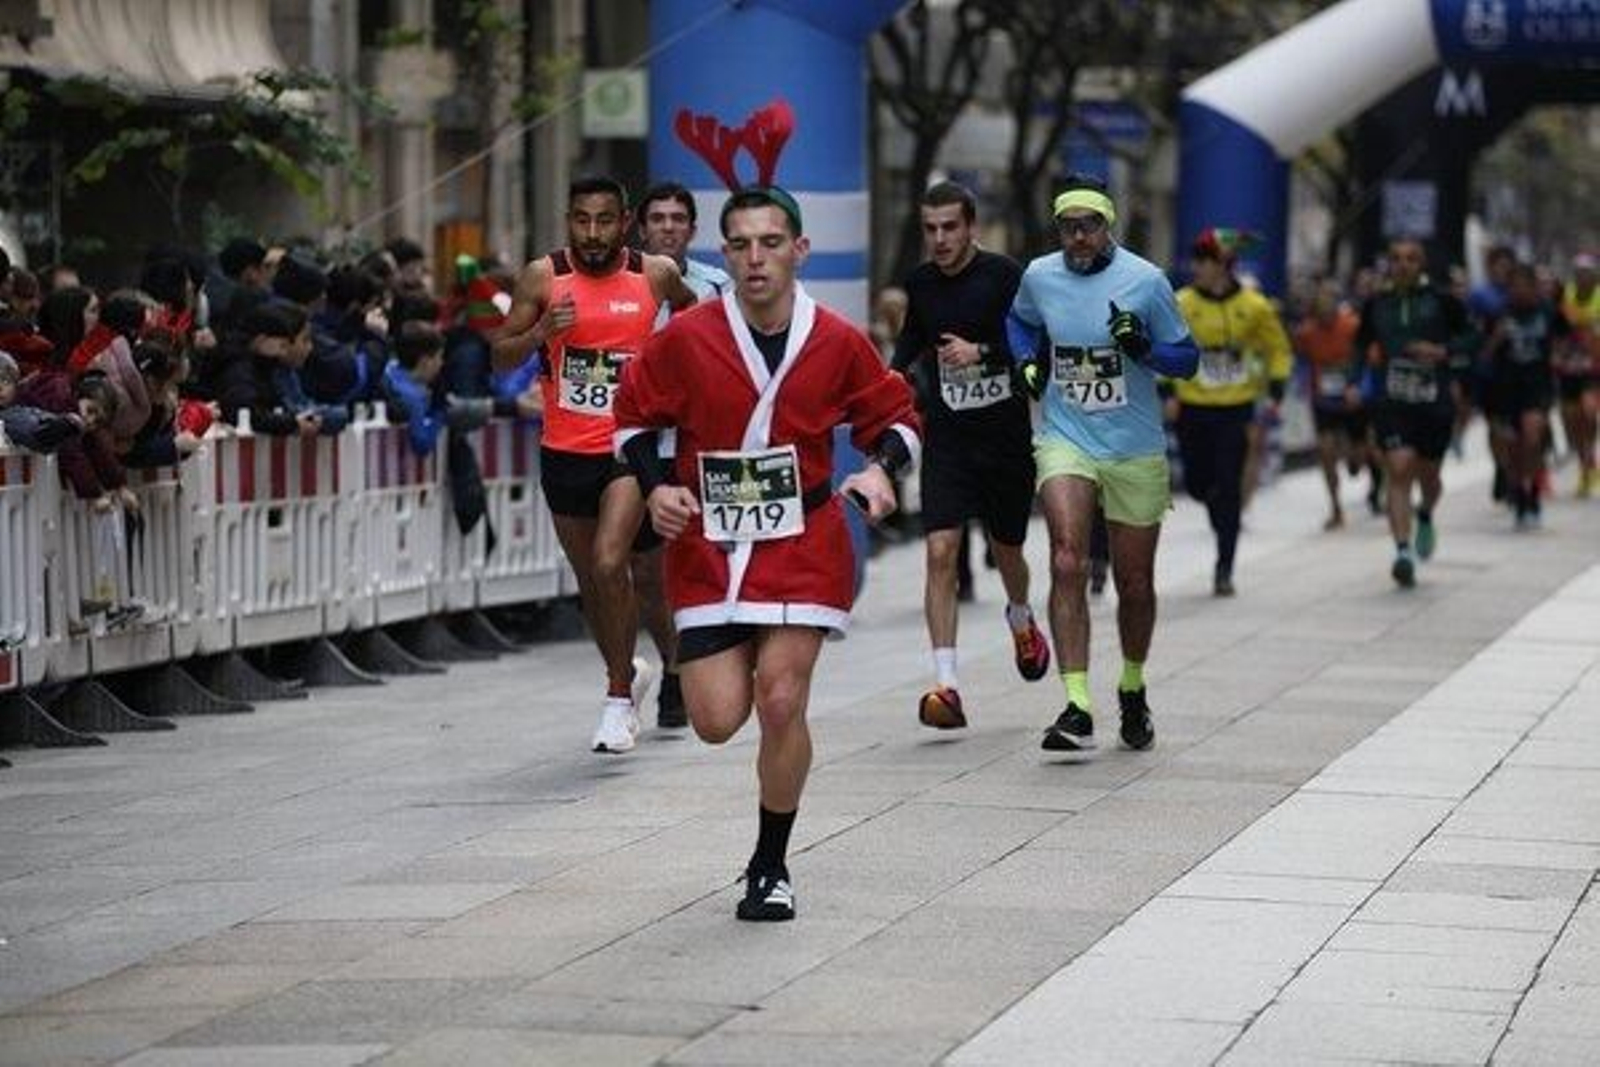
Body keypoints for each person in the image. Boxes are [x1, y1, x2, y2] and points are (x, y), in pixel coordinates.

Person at [613, 185, 920, 921]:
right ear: (725, 254)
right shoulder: (687, 337)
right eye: (742, 244)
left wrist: (881, 469)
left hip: (802, 540)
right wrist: (656, 488)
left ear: (799, 250)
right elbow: (630, 419)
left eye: (771, 242)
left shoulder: (838, 338)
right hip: (711, 548)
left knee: (782, 699)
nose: (756, 258)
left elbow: (899, 417)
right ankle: (705, 673)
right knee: (718, 718)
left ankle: (770, 864)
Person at [490, 176, 696, 754]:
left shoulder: (654, 274)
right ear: (568, 220)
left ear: (625, 222)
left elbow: (693, 315)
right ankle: (629, 673)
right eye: (582, 219)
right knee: (593, 583)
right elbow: (498, 350)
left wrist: (665, 368)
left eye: (605, 220)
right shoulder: (542, 276)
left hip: (626, 448)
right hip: (564, 450)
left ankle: (616, 697)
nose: (593, 232)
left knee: (612, 564)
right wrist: (538, 334)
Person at [1005, 174, 1198, 754]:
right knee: (1066, 557)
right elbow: (1019, 321)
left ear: (1107, 225)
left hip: (1134, 446)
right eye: (1068, 226)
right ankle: (1077, 704)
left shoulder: (1146, 281)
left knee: (1133, 582)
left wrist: (1143, 347)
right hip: (1066, 437)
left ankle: (1132, 688)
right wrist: (1025, 364)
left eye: (1089, 225)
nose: (1078, 237)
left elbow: (1187, 360)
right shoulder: (1039, 276)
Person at [889, 180, 1048, 730]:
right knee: (940, 552)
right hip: (949, 439)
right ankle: (947, 685)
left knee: (1008, 551)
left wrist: (979, 350)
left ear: (971, 226)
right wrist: (887, 376)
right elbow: (912, 338)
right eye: (930, 229)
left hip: (1004, 439)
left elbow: (1035, 342)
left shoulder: (1006, 275)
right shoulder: (921, 282)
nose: (939, 239)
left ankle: (1022, 617)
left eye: (949, 227)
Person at [633, 182, 735, 728]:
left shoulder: (716, 285)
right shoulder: (624, 285)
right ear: (641, 227)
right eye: (658, 217)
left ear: (692, 229)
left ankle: (693, 669)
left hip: (698, 446)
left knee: (697, 564)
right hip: (643, 445)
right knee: (646, 573)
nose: (668, 226)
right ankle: (673, 659)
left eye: (678, 218)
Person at [1171, 227, 1292, 596]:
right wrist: (1165, 390)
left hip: (1236, 408)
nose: (1197, 268)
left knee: (1229, 485)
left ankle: (1225, 566)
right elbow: (1165, 345)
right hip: (1192, 406)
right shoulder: (1182, 302)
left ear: (1224, 265)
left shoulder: (1255, 306)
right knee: (1197, 484)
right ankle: (1214, 506)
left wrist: (1275, 389)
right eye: (1196, 261)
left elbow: (1278, 349)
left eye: (1204, 261)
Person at [1354, 238, 1474, 587]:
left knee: (1430, 476)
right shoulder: (1377, 303)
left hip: (1434, 402)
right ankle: (1402, 551)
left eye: (1410, 259)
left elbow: (1471, 338)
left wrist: (1442, 351)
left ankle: (1425, 513)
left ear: (1421, 264)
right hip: (1392, 401)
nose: (1402, 264)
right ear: (1388, 264)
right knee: (1399, 467)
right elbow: (1361, 345)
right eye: (1395, 259)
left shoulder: (1443, 301)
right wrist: (1354, 380)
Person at [1483, 262, 1570, 528]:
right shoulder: (1499, 313)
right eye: (1514, 286)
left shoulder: (1548, 311)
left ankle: (1533, 491)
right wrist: (1496, 338)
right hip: (1506, 388)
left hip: (1537, 386)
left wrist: (1558, 355)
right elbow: (1484, 354)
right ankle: (1519, 492)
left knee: (1532, 438)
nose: (1519, 291)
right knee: (1513, 448)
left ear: (1534, 287)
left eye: (1525, 285)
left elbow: (1564, 337)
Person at [1294, 278, 1376, 529]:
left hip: (1353, 398)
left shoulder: (1352, 326)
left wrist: (1361, 388)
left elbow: (1369, 359)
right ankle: (1336, 508)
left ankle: (1362, 466)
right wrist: (1303, 383)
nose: (1324, 309)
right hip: (1324, 400)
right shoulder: (1306, 332)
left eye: (1329, 303)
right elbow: (1301, 359)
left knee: (1359, 457)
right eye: (1320, 305)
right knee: (1325, 450)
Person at [1559, 253, 1599, 497]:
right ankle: (1583, 460)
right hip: (1568, 369)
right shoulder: (1566, 295)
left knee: (1589, 412)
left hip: (1594, 369)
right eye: (1579, 272)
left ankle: (1589, 460)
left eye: (1588, 273)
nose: (1583, 277)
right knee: (1571, 418)